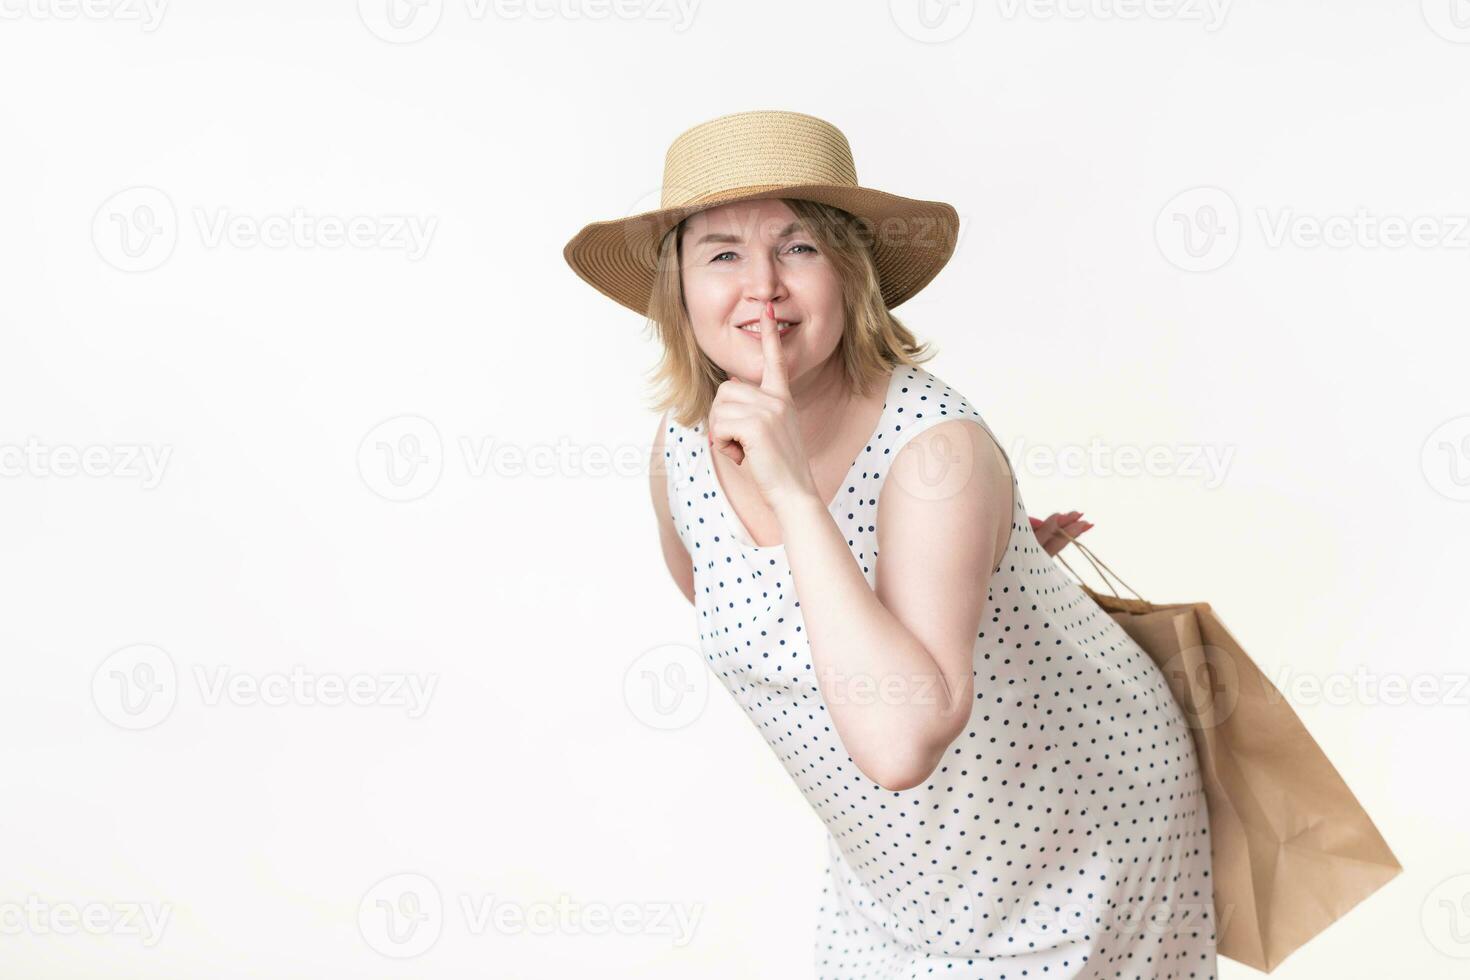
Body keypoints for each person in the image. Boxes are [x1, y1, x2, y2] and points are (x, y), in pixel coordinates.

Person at [564, 109, 1216, 979]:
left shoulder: (936, 447)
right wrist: (957, 574)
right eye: (721, 253)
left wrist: (798, 491)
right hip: (900, 873)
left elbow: (899, 744)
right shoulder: (682, 450)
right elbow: (766, 623)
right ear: (679, 289)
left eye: (798, 248)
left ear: (850, 274)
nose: (761, 286)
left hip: (1079, 842)